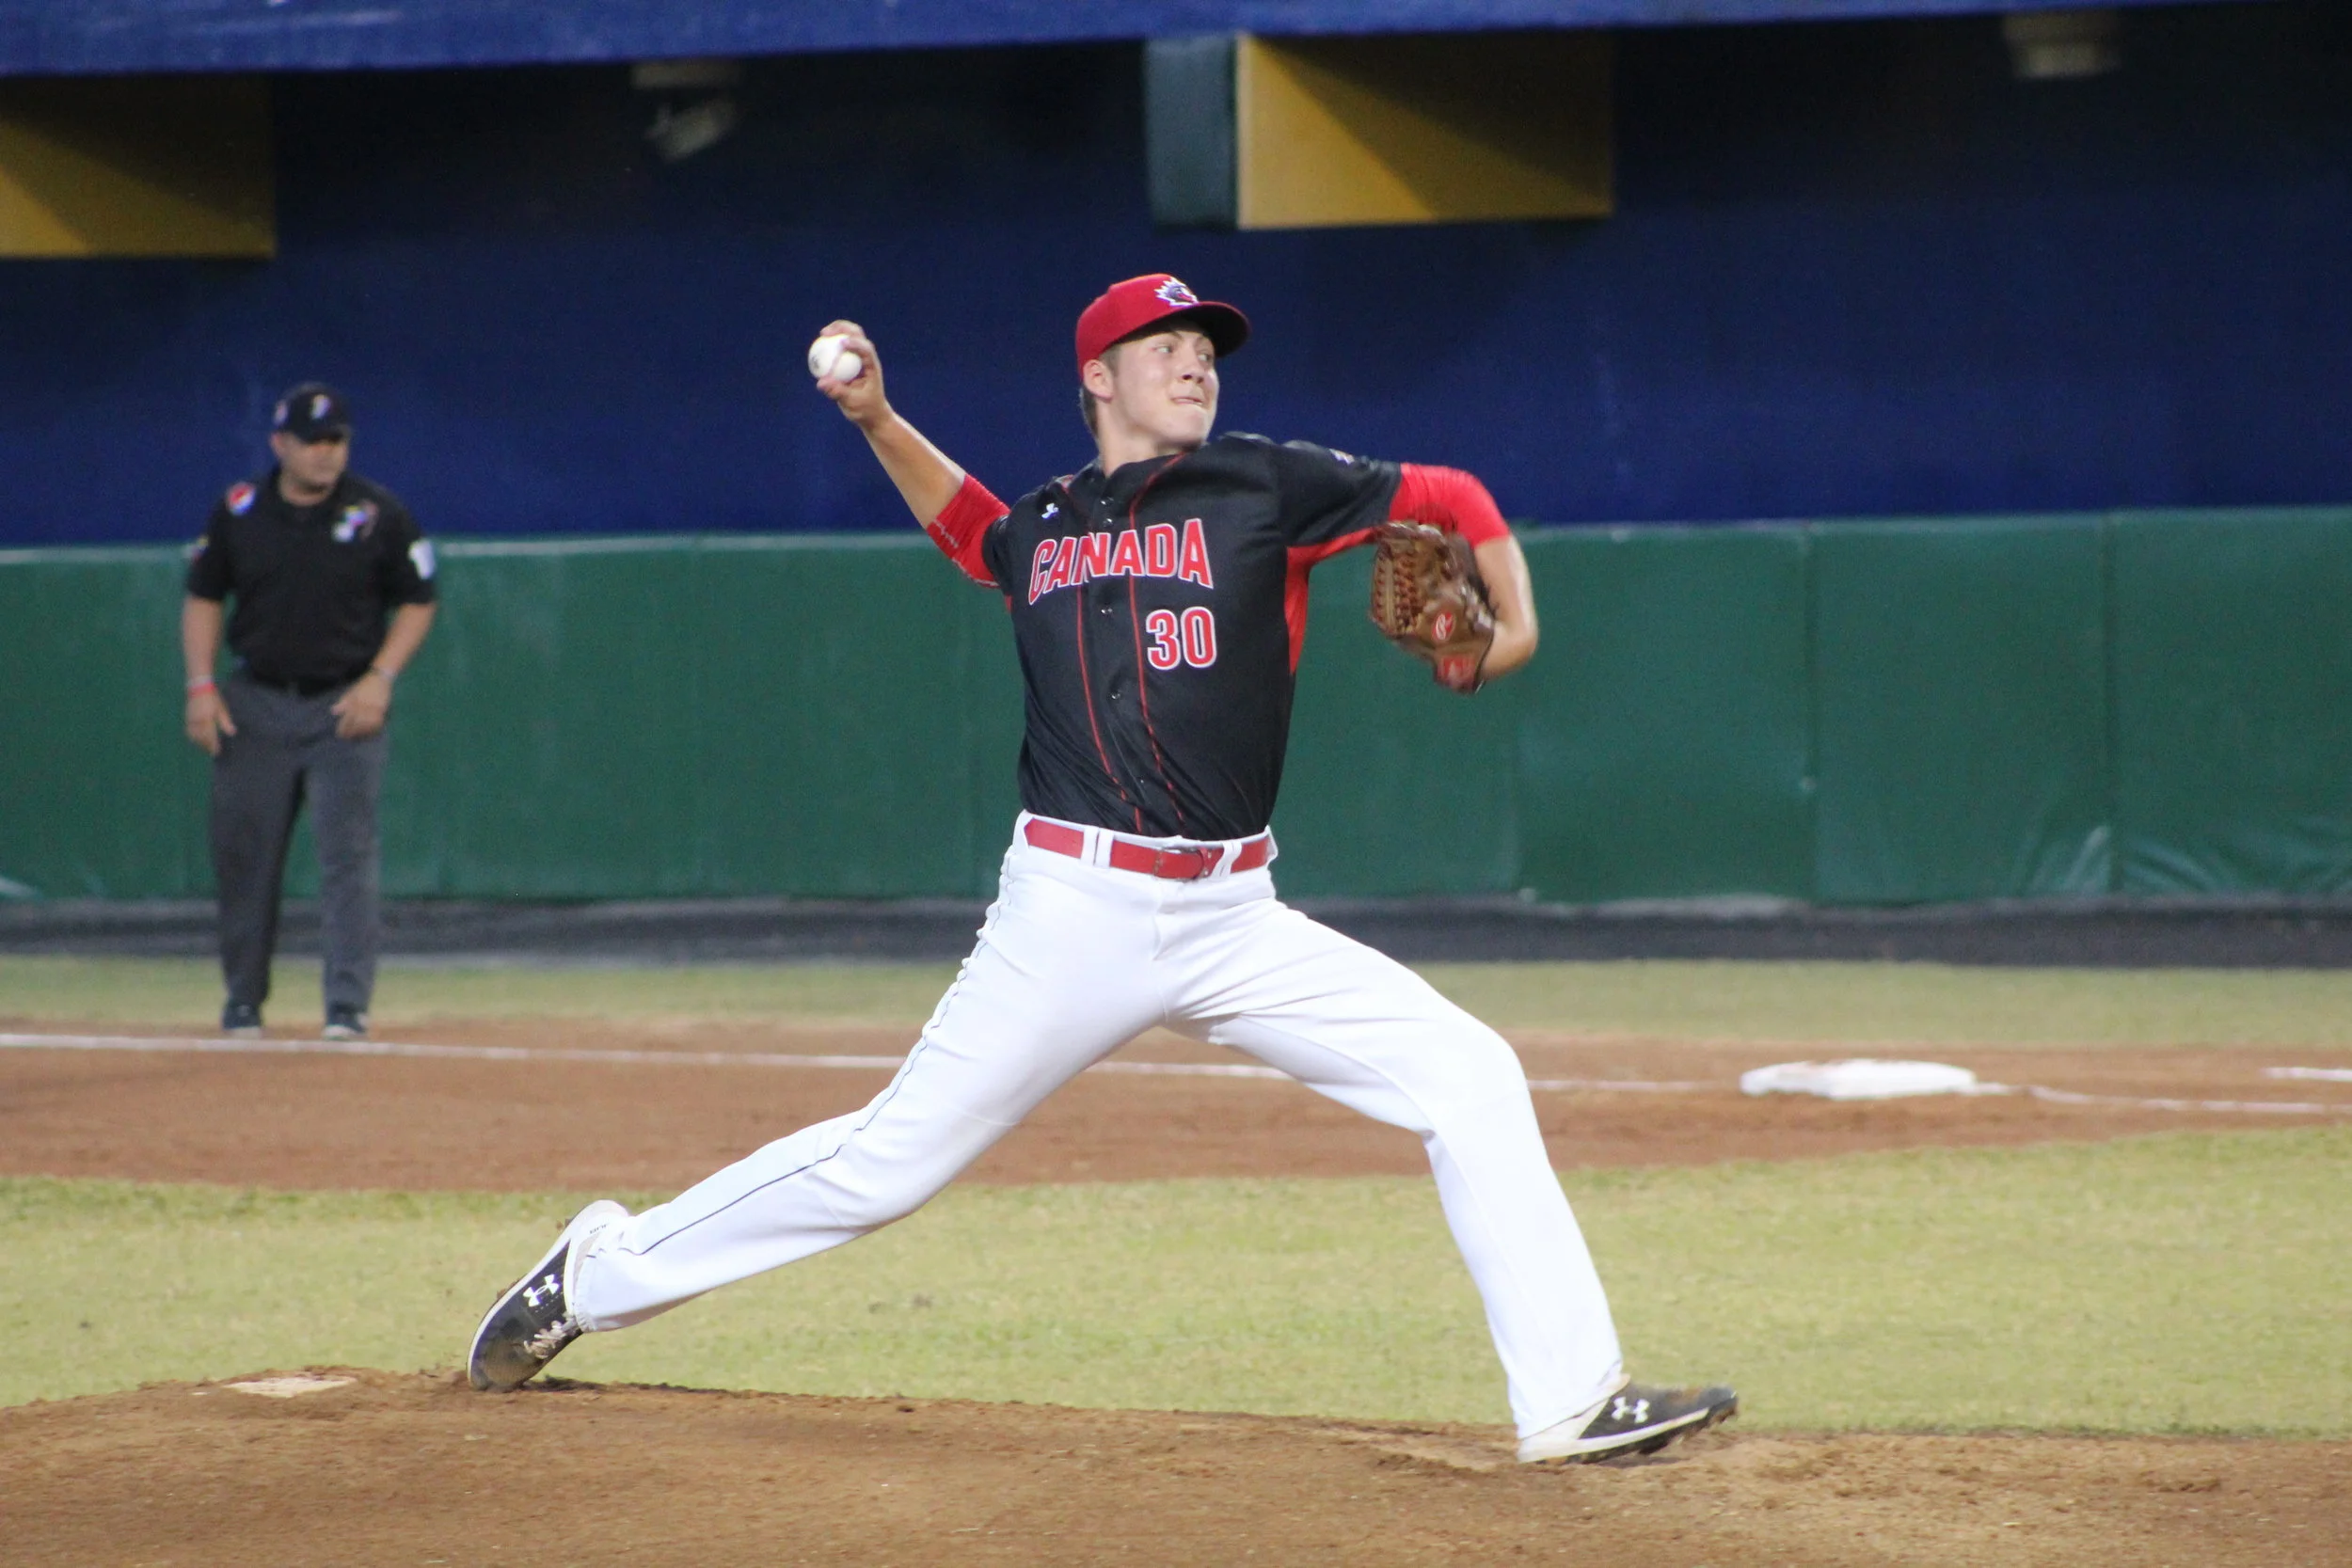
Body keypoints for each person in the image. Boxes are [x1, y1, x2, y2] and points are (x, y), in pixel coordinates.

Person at [468, 277, 1735, 1464]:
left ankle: (1571, 1398)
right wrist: (876, 416)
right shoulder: (1050, 522)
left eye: (1207, 351)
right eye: (1166, 349)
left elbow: (1453, 498)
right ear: (1099, 377)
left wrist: (1510, 630)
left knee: (1468, 1072)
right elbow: (971, 529)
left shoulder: (1264, 484)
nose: (1196, 364)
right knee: (886, 1162)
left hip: (1237, 913)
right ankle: (595, 1270)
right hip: (1073, 907)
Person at [181, 382, 437, 1043]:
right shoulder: (239, 511)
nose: (326, 455)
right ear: (281, 444)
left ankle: (345, 1006)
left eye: (336, 441)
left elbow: (419, 597)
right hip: (257, 701)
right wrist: (201, 685)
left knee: (347, 858)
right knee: (245, 855)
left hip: (343, 705)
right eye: (312, 441)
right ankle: (242, 1000)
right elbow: (204, 596)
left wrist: (380, 678)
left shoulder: (379, 514)